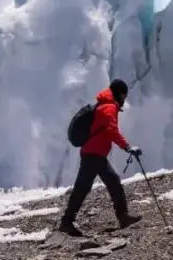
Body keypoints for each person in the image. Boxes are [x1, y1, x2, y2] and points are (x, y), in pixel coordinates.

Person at [58, 79, 143, 237]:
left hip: (96, 154)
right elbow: (111, 130)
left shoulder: (105, 104)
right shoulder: (109, 107)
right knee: (84, 188)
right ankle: (66, 222)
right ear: (119, 94)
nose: (124, 99)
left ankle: (123, 217)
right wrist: (127, 147)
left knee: (112, 182)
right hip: (93, 155)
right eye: (124, 95)